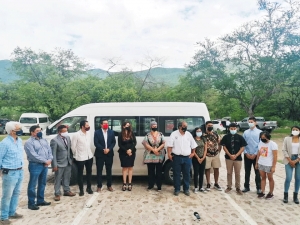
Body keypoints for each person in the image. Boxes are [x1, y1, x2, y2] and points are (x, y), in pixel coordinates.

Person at [24, 125, 53, 210]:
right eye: (37, 131)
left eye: (40, 130)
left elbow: (49, 150)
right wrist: (45, 161)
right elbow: (33, 155)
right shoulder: (29, 142)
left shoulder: (43, 140)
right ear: (32, 132)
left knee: (42, 183)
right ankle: (31, 203)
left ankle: (40, 200)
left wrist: (50, 159)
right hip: (35, 165)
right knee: (33, 185)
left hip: (45, 165)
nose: (39, 132)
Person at [0, 122, 24, 224]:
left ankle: (12, 212)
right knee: (7, 195)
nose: (20, 131)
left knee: (16, 193)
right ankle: (3, 216)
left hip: (20, 170)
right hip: (9, 172)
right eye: (18, 129)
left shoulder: (19, 141)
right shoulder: (4, 143)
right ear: (11, 131)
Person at [167, 121, 197, 196]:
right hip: (177, 157)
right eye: (184, 126)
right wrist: (169, 154)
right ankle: (177, 189)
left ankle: (186, 189)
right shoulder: (174, 134)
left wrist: (193, 153)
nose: (185, 127)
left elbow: (193, 145)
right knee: (176, 174)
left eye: (186, 126)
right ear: (180, 126)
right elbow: (169, 145)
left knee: (186, 174)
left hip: (187, 158)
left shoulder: (189, 134)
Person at [50, 125, 75, 201]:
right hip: (59, 163)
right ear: (59, 132)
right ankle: (57, 193)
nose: (66, 132)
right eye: (64, 131)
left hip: (68, 161)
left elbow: (69, 149)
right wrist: (54, 165)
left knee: (67, 177)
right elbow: (53, 154)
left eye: (66, 130)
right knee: (58, 179)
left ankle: (66, 190)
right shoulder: (54, 140)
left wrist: (71, 158)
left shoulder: (67, 138)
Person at [221, 123, 247, 195]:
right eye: (231, 129)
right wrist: (230, 155)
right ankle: (229, 186)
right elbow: (224, 147)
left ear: (236, 129)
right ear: (229, 129)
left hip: (238, 158)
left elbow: (243, 147)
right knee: (229, 172)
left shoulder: (240, 137)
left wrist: (236, 155)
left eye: (234, 129)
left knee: (237, 173)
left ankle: (238, 188)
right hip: (228, 158)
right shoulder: (226, 137)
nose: (233, 130)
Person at [71, 120, 94, 196]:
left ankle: (89, 188)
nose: (88, 127)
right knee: (80, 174)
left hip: (89, 156)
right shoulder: (76, 135)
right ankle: (81, 189)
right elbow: (73, 147)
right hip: (80, 157)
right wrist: (76, 155)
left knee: (89, 173)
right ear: (82, 126)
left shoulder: (88, 134)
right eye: (87, 125)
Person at [142, 121, 165, 191]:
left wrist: (157, 149)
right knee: (150, 171)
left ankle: (159, 186)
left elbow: (163, 143)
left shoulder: (160, 134)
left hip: (159, 156)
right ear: (150, 126)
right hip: (150, 156)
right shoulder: (147, 135)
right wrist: (153, 149)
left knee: (159, 171)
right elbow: (145, 143)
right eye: (153, 126)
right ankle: (151, 185)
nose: (154, 127)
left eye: (155, 126)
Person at [94, 119, 116, 192]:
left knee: (109, 170)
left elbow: (113, 142)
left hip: (109, 153)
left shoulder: (111, 132)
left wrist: (109, 149)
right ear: (101, 124)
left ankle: (109, 185)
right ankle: (99, 186)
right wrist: (103, 149)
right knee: (99, 170)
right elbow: (96, 143)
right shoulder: (97, 132)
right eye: (104, 123)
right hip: (100, 154)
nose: (106, 124)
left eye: (107, 123)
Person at [255, 131, 278, 199]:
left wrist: (273, 166)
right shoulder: (260, 143)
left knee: (270, 178)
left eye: (264, 137)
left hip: (269, 164)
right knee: (263, 178)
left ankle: (271, 193)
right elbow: (258, 153)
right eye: (261, 137)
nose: (262, 139)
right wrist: (256, 163)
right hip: (261, 163)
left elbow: (275, 156)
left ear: (267, 137)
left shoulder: (273, 144)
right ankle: (262, 192)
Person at [242, 117, 262, 194]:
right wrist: (246, 152)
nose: (250, 123)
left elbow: (260, 144)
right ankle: (246, 186)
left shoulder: (260, 132)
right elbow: (243, 143)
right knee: (247, 171)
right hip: (247, 154)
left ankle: (258, 187)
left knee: (257, 172)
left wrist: (255, 154)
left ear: (255, 123)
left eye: (251, 122)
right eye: (249, 122)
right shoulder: (245, 132)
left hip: (256, 155)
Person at [282, 125, 300, 204]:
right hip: (288, 159)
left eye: (296, 129)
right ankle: (285, 195)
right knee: (288, 177)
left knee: (298, 178)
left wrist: (296, 160)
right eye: (293, 129)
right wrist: (290, 160)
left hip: (298, 160)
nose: (295, 131)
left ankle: (295, 195)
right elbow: (284, 149)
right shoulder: (287, 139)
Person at [203, 121, 222, 191]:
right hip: (207, 154)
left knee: (216, 169)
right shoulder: (203, 135)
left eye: (211, 125)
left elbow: (219, 143)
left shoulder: (216, 134)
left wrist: (219, 151)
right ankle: (208, 183)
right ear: (206, 126)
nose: (210, 126)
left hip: (215, 154)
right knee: (207, 169)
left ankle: (216, 183)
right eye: (209, 125)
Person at [118, 121, 137, 191]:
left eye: (129, 125)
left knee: (130, 167)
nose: (128, 127)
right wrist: (126, 151)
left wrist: (130, 150)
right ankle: (124, 183)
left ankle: (130, 183)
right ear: (123, 126)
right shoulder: (120, 134)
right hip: (123, 153)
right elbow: (120, 144)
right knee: (125, 168)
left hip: (132, 152)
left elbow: (134, 142)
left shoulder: (132, 133)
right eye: (126, 125)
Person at [191, 127, 207, 193]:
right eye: (197, 131)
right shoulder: (193, 139)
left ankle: (201, 187)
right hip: (195, 158)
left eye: (200, 131)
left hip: (203, 158)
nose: (199, 132)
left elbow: (205, 149)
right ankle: (196, 187)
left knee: (201, 173)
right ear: (195, 132)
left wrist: (203, 157)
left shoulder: (203, 139)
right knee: (196, 173)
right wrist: (198, 158)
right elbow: (193, 150)